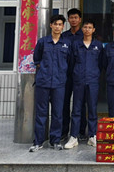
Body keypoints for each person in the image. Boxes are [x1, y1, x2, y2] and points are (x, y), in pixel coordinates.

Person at [29, 14, 71, 152]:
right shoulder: (43, 42)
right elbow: (37, 59)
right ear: (51, 25)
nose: (57, 27)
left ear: (63, 26)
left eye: (60, 24)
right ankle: (38, 142)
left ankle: (55, 141)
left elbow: (70, 61)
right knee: (41, 113)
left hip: (59, 83)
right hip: (43, 82)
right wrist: (45, 71)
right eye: (55, 24)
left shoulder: (66, 43)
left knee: (58, 113)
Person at [64, 20, 103, 149]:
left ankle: (92, 136)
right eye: (85, 27)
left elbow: (101, 63)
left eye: (90, 27)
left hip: (93, 81)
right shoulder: (76, 44)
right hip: (78, 80)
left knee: (92, 109)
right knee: (76, 109)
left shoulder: (98, 45)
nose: (87, 29)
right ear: (82, 29)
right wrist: (76, 73)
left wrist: (94, 73)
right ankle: (73, 137)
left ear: (93, 30)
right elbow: (71, 62)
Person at [61, 8, 84, 140]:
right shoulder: (64, 36)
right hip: (66, 75)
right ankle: (64, 131)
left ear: (80, 19)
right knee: (64, 103)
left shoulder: (85, 35)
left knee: (80, 103)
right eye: (71, 18)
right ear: (68, 20)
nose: (74, 20)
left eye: (76, 17)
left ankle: (81, 131)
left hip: (80, 74)